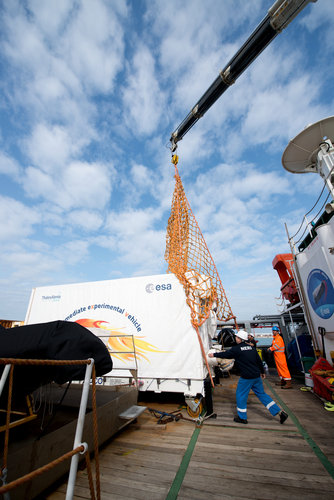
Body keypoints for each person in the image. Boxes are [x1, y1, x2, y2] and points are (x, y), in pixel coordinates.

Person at [208, 330, 288, 425]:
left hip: (246, 378)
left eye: (236, 337)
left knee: (240, 396)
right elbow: (259, 360)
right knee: (262, 394)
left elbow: (226, 354)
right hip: (256, 376)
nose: (235, 338)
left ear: (239, 339)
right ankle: (279, 412)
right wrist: (262, 372)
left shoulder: (236, 349)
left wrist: (213, 355)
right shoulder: (252, 348)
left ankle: (242, 418)